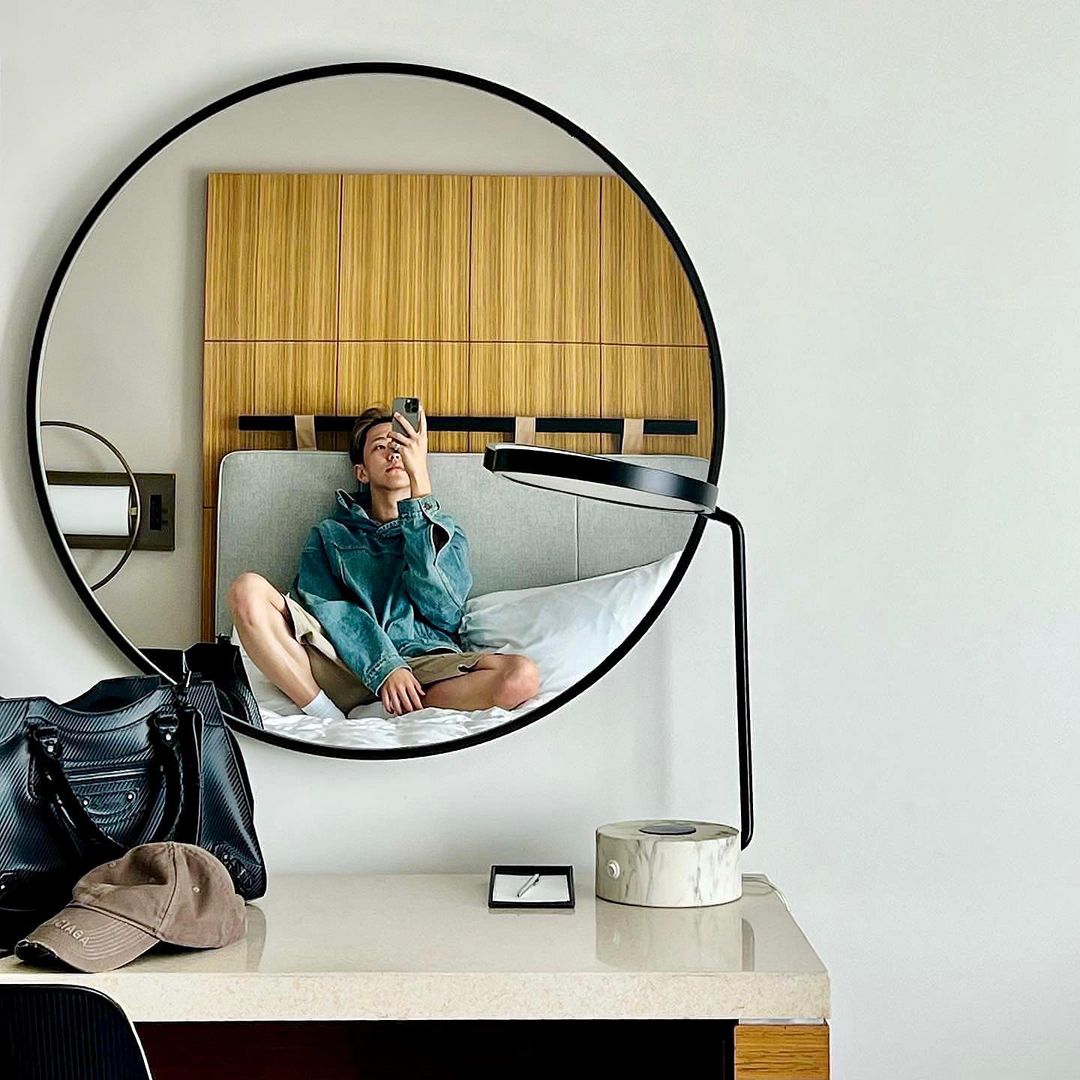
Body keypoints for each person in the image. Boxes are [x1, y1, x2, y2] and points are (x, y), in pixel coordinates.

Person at [227, 405, 540, 721]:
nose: (394, 454)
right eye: (380, 447)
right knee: (246, 589)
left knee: (521, 676)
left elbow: (445, 612)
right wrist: (385, 667)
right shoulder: (330, 534)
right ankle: (325, 713)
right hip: (344, 662)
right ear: (361, 472)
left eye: (401, 445)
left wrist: (419, 490)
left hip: (424, 664)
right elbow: (331, 610)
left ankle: (394, 706)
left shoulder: (445, 531)